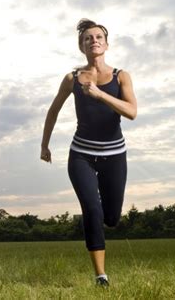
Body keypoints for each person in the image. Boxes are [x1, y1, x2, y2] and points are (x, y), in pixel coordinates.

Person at [40, 18, 137, 287]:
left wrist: (99, 94)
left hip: (115, 155)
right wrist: (44, 144)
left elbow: (131, 112)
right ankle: (101, 277)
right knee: (92, 209)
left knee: (112, 217)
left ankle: (108, 220)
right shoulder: (72, 78)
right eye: (87, 39)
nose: (93, 41)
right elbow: (53, 110)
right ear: (81, 46)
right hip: (81, 154)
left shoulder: (121, 76)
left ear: (106, 44)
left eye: (98, 37)